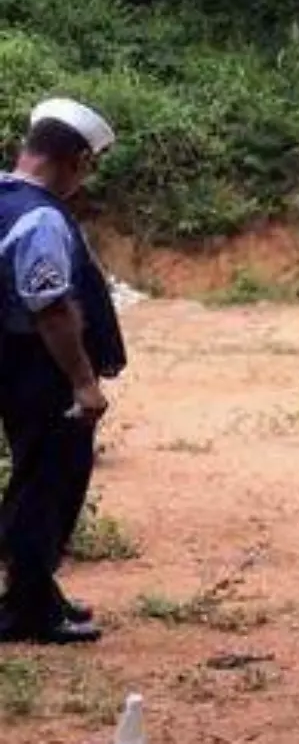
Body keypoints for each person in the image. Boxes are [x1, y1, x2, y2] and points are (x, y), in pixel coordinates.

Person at [0, 98, 126, 645]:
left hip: (9, 362)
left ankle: (34, 594)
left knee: (33, 478)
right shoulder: (41, 216)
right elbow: (49, 305)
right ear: (73, 159)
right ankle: (29, 610)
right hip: (40, 369)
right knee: (48, 487)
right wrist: (82, 381)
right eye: (87, 165)